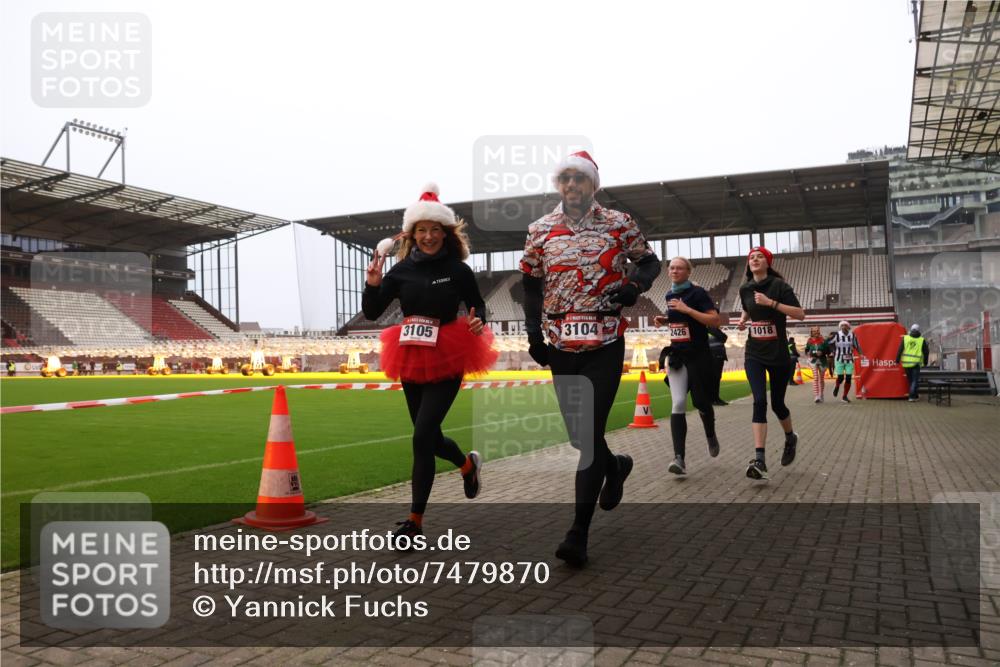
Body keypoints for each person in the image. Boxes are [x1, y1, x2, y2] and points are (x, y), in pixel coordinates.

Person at [521, 151, 660, 567]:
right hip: (561, 345)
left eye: (579, 179)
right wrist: (533, 335)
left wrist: (634, 287)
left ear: (592, 184)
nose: (571, 185)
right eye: (564, 178)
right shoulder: (540, 230)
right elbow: (530, 285)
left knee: (588, 432)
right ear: (558, 184)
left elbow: (649, 262)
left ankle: (578, 533)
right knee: (580, 438)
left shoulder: (619, 223)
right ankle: (615, 466)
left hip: (605, 341)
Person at [362, 183, 497, 548]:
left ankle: (414, 521)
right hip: (410, 354)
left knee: (421, 436)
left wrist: (478, 321)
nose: (428, 236)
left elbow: (478, 305)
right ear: (412, 234)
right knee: (429, 437)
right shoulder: (401, 271)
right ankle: (467, 466)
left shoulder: (458, 270)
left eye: (434, 229)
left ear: (445, 232)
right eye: (421, 230)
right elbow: (372, 312)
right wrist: (372, 284)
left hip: (448, 353)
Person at [737, 247, 806, 481]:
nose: (754, 260)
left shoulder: (779, 286)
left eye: (759, 257)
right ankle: (760, 460)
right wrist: (743, 320)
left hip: (778, 355)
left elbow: (800, 314)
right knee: (759, 401)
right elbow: (747, 308)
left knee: (778, 404)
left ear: (768, 262)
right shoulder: (745, 288)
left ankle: (790, 438)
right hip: (754, 353)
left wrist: (771, 303)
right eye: (751, 257)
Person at [652, 257, 721, 476]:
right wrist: (666, 320)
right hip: (677, 355)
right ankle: (679, 458)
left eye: (679, 268)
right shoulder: (669, 294)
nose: (674, 271)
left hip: (698, 355)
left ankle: (710, 434)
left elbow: (714, 320)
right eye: (672, 267)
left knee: (701, 402)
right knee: (678, 402)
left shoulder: (697, 293)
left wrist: (687, 309)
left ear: (688, 272)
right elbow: (680, 322)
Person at [828, 320, 863, 404]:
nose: (843, 327)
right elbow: (828, 343)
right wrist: (832, 351)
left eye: (845, 325)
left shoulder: (852, 335)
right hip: (839, 359)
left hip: (849, 360)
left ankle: (844, 396)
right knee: (840, 377)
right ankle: (837, 386)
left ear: (848, 327)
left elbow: (857, 345)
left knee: (848, 378)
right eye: (842, 325)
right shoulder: (837, 335)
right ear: (840, 327)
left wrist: (862, 354)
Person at [896, 323, 929, 401]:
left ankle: (915, 396)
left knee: (911, 381)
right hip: (916, 363)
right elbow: (926, 352)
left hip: (906, 364)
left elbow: (900, 349)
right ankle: (911, 396)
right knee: (915, 381)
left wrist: (897, 359)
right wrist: (925, 362)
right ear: (919, 330)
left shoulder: (905, 338)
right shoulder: (921, 340)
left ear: (911, 330)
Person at [804, 326, 830, 403]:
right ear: (811, 332)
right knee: (815, 378)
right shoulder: (809, 341)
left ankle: (821, 394)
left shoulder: (823, 340)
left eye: (817, 330)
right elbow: (807, 350)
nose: (816, 332)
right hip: (813, 361)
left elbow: (828, 351)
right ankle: (816, 396)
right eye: (814, 331)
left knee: (821, 379)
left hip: (822, 361)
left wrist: (822, 352)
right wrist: (809, 354)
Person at [707, 327, 728, 405]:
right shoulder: (710, 329)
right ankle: (713, 399)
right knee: (714, 378)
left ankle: (715, 398)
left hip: (718, 356)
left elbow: (724, 338)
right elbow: (723, 337)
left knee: (716, 378)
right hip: (713, 356)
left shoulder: (714, 329)